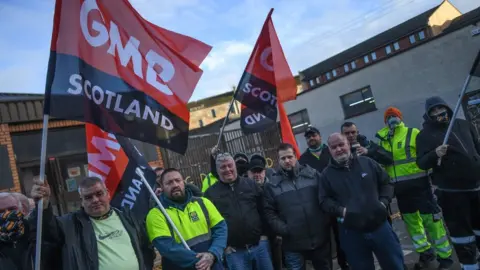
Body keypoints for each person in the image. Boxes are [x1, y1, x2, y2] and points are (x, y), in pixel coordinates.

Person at [376, 107, 453, 269]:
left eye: (394, 116)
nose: (392, 119)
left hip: (420, 185)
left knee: (432, 221)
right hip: (400, 189)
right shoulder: (383, 139)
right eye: (388, 117)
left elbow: (425, 155)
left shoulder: (413, 133)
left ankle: (445, 257)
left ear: (400, 117)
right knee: (412, 223)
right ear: (385, 121)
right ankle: (425, 252)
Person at [319, 133, 404, 270]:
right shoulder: (326, 175)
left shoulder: (367, 162)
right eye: (334, 147)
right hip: (351, 233)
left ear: (348, 144)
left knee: (394, 265)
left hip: (380, 228)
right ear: (329, 150)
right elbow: (324, 201)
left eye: (341, 144)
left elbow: (387, 183)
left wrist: (383, 202)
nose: (339, 149)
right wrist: (342, 211)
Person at [30, 176, 154, 270]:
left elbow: (146, 249)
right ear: (82, 201)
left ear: (108, 194)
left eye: (99, 194)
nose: (95, 200)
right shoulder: (70, 225)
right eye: (88, 197)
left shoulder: (127, 218)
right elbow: (48, 229)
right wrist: (43, 206)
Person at [416, 96, 480, 270]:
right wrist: (434, 154)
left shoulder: (463, 124)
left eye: (440, 109)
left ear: (447, 108)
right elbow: (421, 163)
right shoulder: (424, 135)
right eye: (434, 111)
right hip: (452, 194)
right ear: (428, 115)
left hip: (476, 187)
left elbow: (477, 147)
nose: (439, 113)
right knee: (463, 235)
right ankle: (470, 265)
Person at [264, 143, 331, 270]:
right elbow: (269, 213)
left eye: (289, 157)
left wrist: (323, 222)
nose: (287, 161)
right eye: (283, 158)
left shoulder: (312, 174)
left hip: (319, 239)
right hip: (292, 244)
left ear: (295, 156)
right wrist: (285, 229)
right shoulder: (272, 185)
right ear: (278, 161)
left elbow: (325, 198)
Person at [146, 168, 227, 270]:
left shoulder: (203, 203)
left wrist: (213, 254)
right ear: (161, 187)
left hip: (213, 265)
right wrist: (202, 261)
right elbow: (166, 247)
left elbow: (221, 229)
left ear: (183, 182)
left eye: (178, 180)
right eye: (169, 183)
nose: (175, 185)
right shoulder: (156, 215)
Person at [205, 153, 274, 270]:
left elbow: (264, 210)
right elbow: (209, 224)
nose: (227, 169)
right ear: (217, 170)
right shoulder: (210, 194)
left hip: (259, 246)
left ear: (235, 166)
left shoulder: (250, 184)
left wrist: (265, 235)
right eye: (223, 167)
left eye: (230, 165)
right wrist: (224, 247)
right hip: (234, 252)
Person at [298, 126, 348, 270]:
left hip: (338, 201)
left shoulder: (331, 151)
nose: (311, 139)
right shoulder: (303, 159)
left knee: (342, 237)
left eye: (313, 135)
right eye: (308, 137)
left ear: (319, 136)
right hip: (319, 206)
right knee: (325, 242)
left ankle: (345, 263)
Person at [248, 153, 283, 270]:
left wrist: (279, 231)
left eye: (259, 171)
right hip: (258, 239)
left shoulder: (274, 187)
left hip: (276, 235)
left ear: (264, 172)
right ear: (248, 173)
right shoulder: (244, 191)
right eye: (254, 172)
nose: (257, 175)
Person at [0, 192, 37, 270]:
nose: (7, 214)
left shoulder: (37, 237)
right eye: (1, 211)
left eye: (12, 209)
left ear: (22, 209)